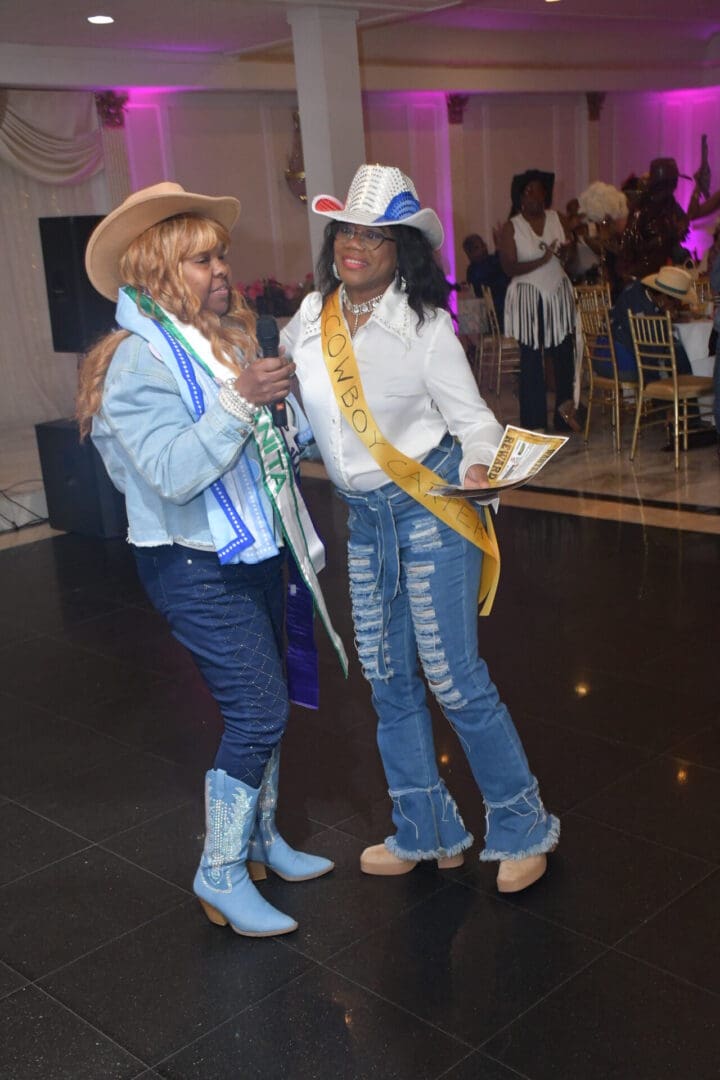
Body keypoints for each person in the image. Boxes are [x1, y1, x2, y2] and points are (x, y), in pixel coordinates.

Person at [76, 182, 347, 939]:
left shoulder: (221, 337)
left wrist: (282, 427)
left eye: (220, 254)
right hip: (190, 563)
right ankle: (219, 870)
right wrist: (240, 404)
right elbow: (170, 472)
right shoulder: (135, 362)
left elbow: (251, 452)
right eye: (200, 259)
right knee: (257, 710)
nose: (221, 269)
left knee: (271, 700)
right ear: (159, 269)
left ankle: (260, 842)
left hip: (253, 545)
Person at [281, 164, 559, 894]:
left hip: (431, 507)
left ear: (401, 248)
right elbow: (303, 419)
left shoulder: (428, 327)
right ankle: (425, 830)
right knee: (387, 681)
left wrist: (480, 469)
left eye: (375, 235)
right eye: (347, 230)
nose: (355, 245)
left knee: (454, 679)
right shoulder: (309, 320)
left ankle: (522, 824)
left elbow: (474, 427)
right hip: (363, 521)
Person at [498, 169, 579, 433]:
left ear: (546, 195)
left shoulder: (559, 219)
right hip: (528, 300)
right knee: (531, 360)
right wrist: (541, 261)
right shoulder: (513, 226)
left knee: (564, 356)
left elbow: (573, 261)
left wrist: (568, 253)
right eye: (528, 191)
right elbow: (508, 267)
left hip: (557, 296)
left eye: (539, 190)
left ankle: (564, 416)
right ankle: (534, 422)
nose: (535, 196)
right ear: (520, 198)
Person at [462, 231, 509, 329]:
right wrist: (499, 249)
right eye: (479, 247)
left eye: (483, 244)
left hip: (507, 309)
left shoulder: (492, 259)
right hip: (493, 317)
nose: (485, 247)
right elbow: (492, 278)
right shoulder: (473, 270)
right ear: (470, 253)